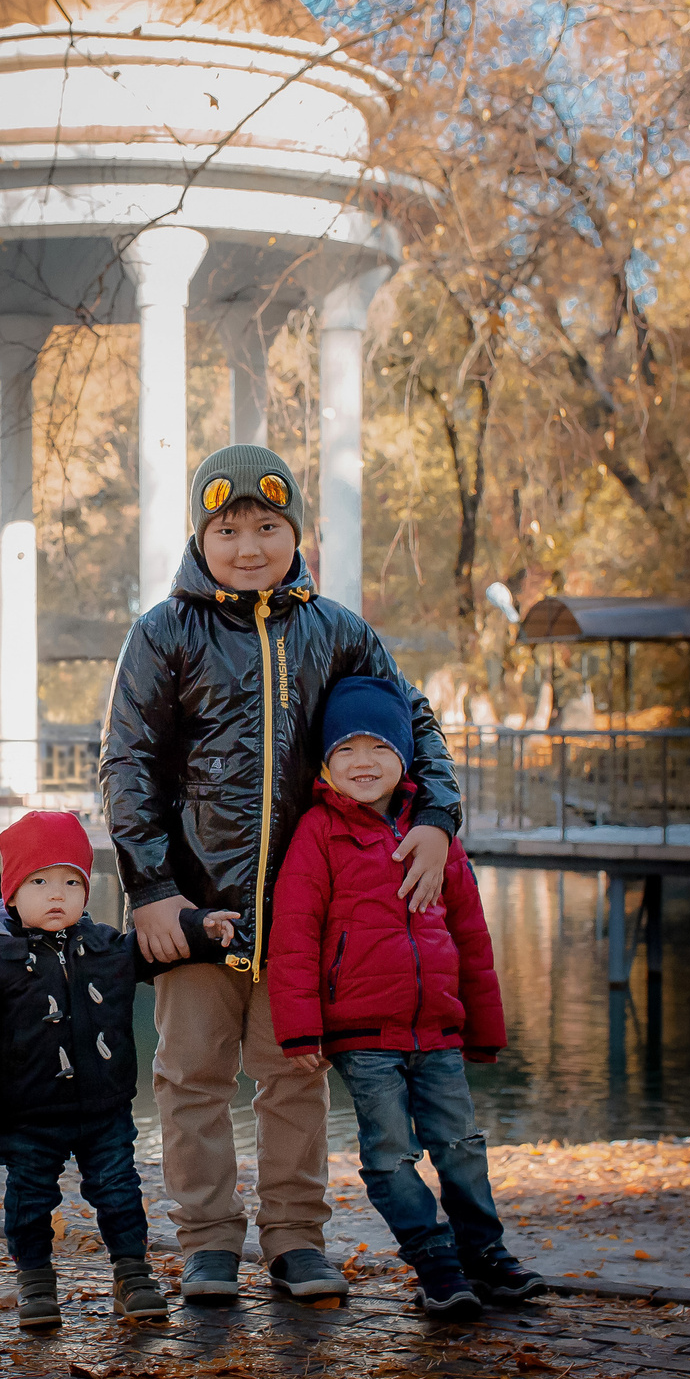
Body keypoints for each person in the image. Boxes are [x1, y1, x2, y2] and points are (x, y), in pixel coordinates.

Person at [102, 443, 464, 1305]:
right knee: (190, 1079)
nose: (250, 545)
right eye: (228, 529)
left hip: (308, 911)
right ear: (202, 535)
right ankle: (208, 1243)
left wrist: (437, 819)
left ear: (295, 530)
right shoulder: (164, 633)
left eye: (268, 525)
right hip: (195, 907)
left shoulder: (336, 630)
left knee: (294, 1073)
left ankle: (296, 1239)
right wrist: (152, 888)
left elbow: (415, 720)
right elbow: (128, 762)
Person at [265, 676, 542, 1320]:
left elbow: (470, 934)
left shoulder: (433, 836)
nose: (363, 764)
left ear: (405, 758)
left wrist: (484, 1025)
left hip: (439, 1030)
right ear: (326, 764)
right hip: (364, 1034)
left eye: (379, 749)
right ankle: (435, 1260)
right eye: (346, 752)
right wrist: (301, 1029)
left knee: (461, 1146)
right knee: (389, 1156)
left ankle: (487, 1255)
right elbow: (296, 936)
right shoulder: (318, 834)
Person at [0, 810, 233, 1329]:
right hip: (28, 1113)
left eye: (71, 882)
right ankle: (35, 1282)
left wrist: (199, 926)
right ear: (11, 891)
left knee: (120, 1192)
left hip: (104, 1109)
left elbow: (154, 950)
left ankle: (133, 1277)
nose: (56, 894)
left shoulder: (104, 948)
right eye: (39, 882)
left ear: (86, 890)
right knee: (30, 1199)